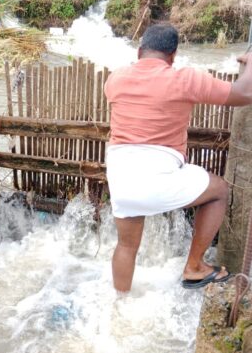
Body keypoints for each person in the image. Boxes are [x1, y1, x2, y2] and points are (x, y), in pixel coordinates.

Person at [104, 23, 252, 292]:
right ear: (172, 56)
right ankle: (194, 267)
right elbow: (244, 93)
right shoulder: (183, 79)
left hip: (120, 176)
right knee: (218, 189)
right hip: (157, 173)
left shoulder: (115, 79)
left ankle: (120, 302)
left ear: (139, 51)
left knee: (126, 245)